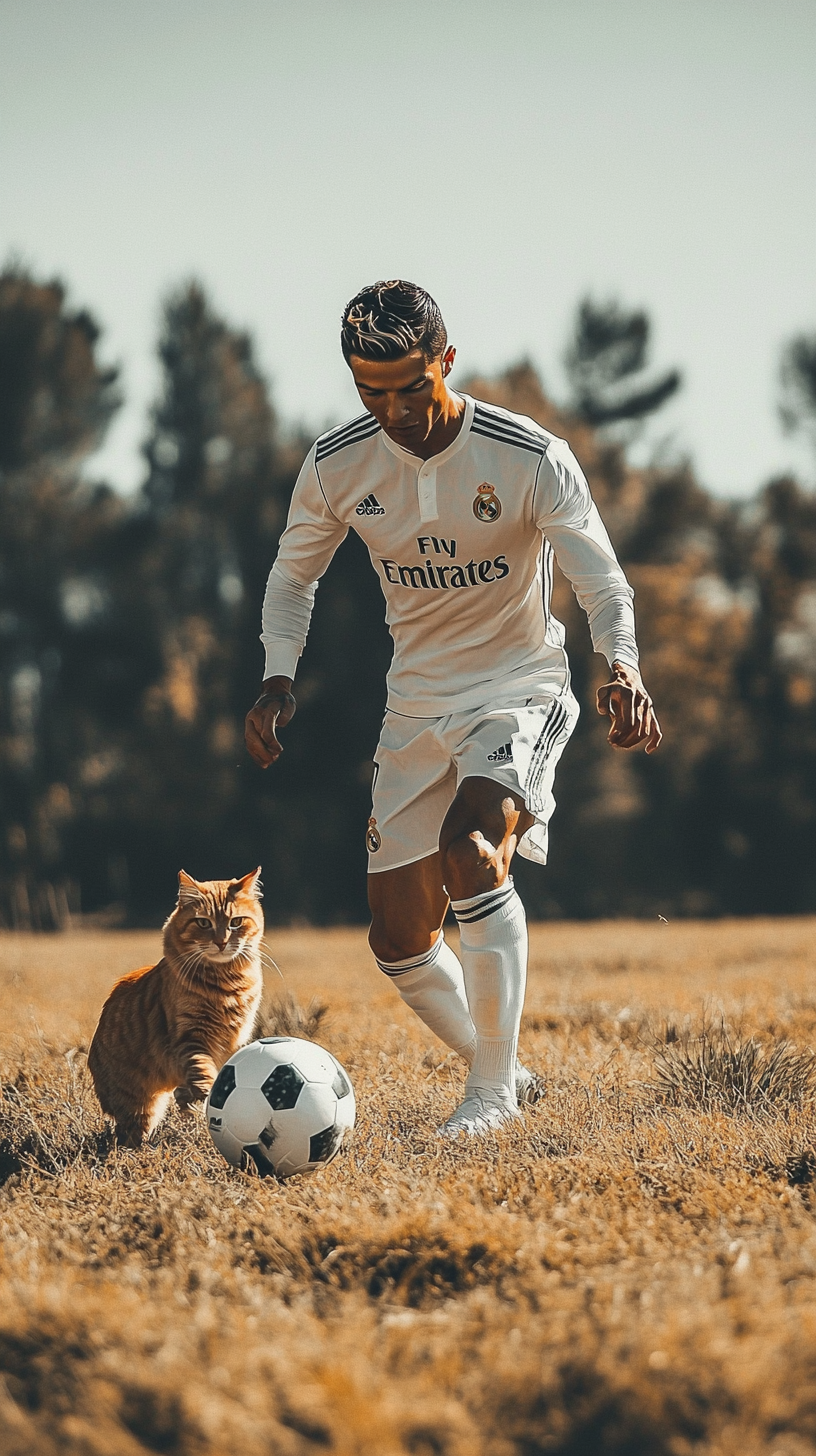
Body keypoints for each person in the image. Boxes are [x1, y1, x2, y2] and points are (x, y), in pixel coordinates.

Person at [245, 280, 660, 1137]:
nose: (393, 409)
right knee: (397, 937)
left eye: (409, 386)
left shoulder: (527, 456)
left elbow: (601, 581)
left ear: (447, 361)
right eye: (370, 390)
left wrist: (620, 665)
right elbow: (293, 577)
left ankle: (492, 1096)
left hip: (520, 685)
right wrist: (277, 675)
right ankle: (503, 1068)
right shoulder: (337, 464)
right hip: (415, 702)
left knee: (471, 850)